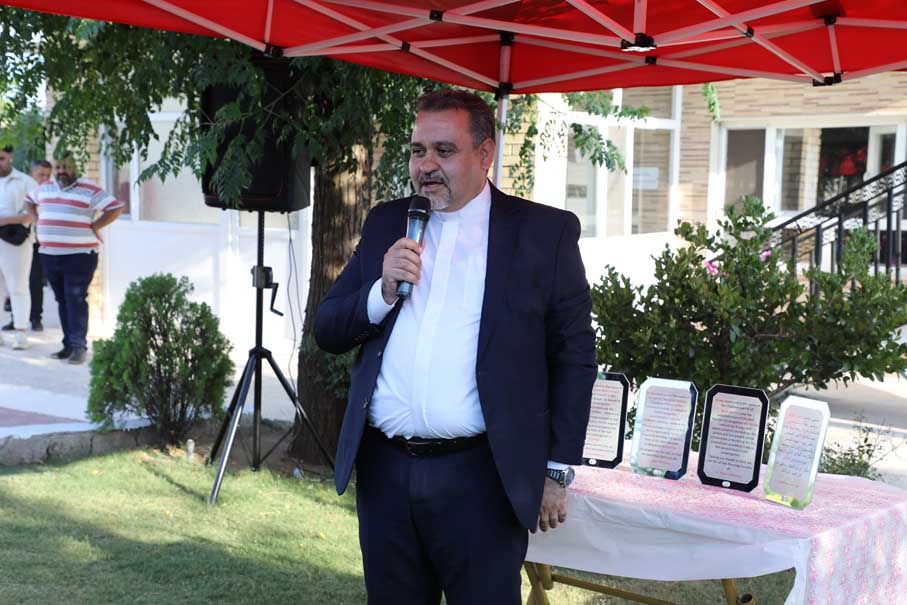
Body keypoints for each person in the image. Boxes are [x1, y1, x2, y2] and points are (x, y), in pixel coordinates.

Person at [314, 89, 596, 604]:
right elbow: (328, 329)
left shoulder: (543, 234)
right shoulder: (387, 222)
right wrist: (380, 292)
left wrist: (556, 469)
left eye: (444, 151)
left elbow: (574, 357)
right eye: (418, 151)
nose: (426, 166)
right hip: (386, 473)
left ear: (485, 154)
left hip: (482, 477)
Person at [24, 151, 124, 364]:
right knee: (62, 299)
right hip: (50, 254)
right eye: (58, 167)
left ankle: (79, 346)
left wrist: (96, 225)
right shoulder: (45, 188)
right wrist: (37, 220)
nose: (61, 171)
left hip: (79, 255)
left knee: (75, 298)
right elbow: (28, 201)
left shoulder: (89, 189)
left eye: (66, 167)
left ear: (75, 167)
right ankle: (68, 344)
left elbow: (115, 208)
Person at [2, 159, 51, 332]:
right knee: (15, 282)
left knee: (35, 280)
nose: (45, 179)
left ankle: (35, 318)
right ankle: (15, 319)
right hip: (18, 240)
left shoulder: (48, 193)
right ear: (32, 174)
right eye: (41, 175)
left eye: (48, 175)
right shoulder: (24, 188)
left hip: (38, 242)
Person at [0, 145, 37, 350]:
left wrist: (4, 221)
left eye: (1, 158)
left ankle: (21, 333)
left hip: (16, 241)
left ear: (10, 157)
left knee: (18, 286)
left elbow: (32, 214)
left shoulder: (25, 182)